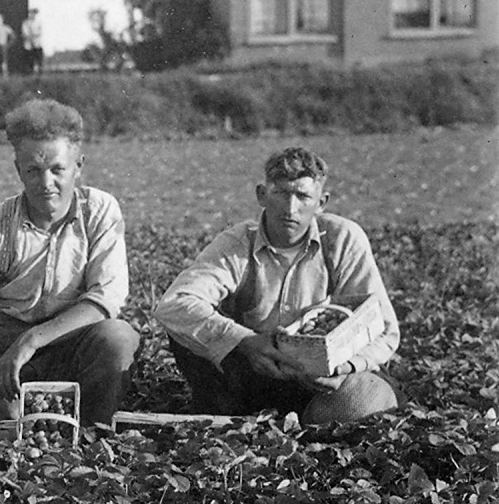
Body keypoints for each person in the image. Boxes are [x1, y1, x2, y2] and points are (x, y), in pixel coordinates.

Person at [153, 146, 400, 424]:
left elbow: (385, 329)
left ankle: (314, 423)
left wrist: (346, 367)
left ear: (322, 202)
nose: (290, 208)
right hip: (254, 370)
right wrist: (244, 341)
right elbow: (174, 304)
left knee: (366, 400)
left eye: (303, 196)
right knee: (186, 334)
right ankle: (226, 416)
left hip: (322, 376)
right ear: (262, 195)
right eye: (280, 193)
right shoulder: (236, 245)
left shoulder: (342, 240)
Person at [0, 99, 139, 429]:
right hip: (3, 353)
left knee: (118, 337)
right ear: (18, 170)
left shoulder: (100, 212)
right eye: (33, 171)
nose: (46, 183)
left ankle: (92, 431)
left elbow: (105, 300)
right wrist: (1, 401)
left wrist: (32, 340)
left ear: (79, 165)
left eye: (58, 170)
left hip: (69, 342)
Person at [19, 8, 45, 76]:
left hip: (37, 44)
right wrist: (31, 36)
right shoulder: (25, 23)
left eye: (35, 13)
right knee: (30, 60)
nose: (33, 15)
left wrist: (34, 35)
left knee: (39, 59)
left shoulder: (39, 22)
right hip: (29, 45)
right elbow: (25, 33)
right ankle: (30, 74)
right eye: (32, 13)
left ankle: (39, 73)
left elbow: (40, 32)